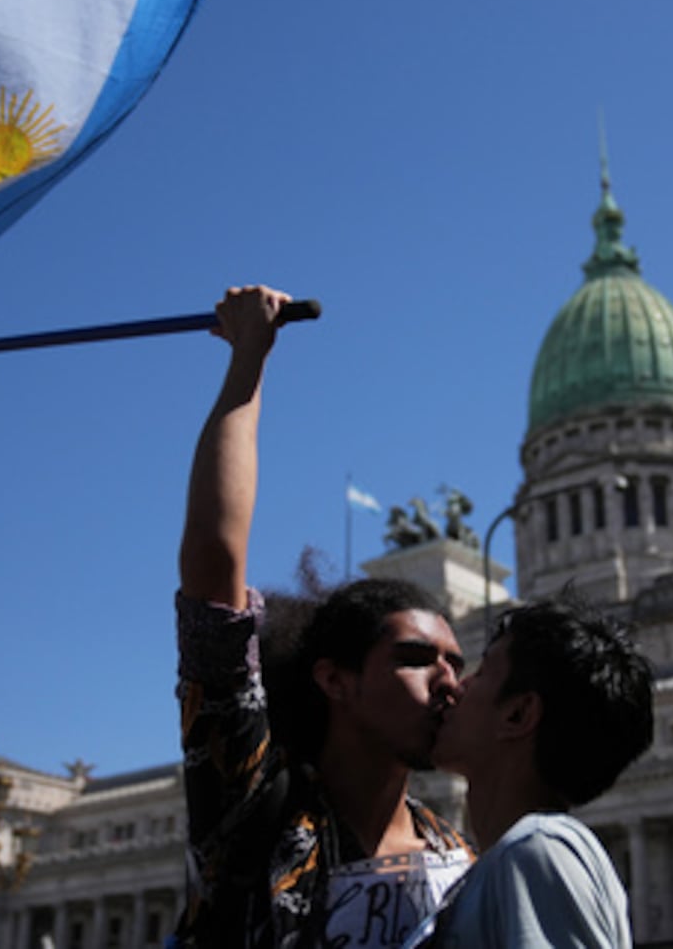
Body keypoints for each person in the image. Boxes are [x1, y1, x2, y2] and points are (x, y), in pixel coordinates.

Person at [173, 285, 474, 948]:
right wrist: (249, 358)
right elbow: (214, 562)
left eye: (457, 663)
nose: (451, 682)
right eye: (417, 660)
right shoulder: (251, 801)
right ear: (335, 679)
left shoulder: (460, 860)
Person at [404, 591, 654, 948]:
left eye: (481, 671)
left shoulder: (537, 850)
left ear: (518, 715)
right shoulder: (514, 857)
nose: (457, 687)